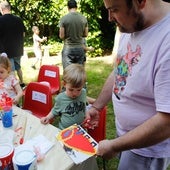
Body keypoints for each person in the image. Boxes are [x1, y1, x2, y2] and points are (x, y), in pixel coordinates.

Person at [85, 0, 170, 170]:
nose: (109, 18)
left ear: (140, 2)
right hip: (125, 137)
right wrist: (98, 107)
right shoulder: (131, 24)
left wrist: (115, 146)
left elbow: (167, 122)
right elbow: (120, 69)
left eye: (114, 10)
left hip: (146, 150)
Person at [40, 63, 87, 130]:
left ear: (83, 85)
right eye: (71, 90)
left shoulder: (83, 92)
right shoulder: (60, 98)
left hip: (80, 129)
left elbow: (84, 105)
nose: (75, 93)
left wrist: (87, 114)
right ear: (64, 84)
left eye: (78, 90)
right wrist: (47, 117)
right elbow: (54, 111)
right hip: (65, 130)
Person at [0, 1, 25, 88]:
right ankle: (22, 83)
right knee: (18, 67)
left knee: (11, 70)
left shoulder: (0, 20)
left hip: (7, 51)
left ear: (1, 9)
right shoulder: (19, 19)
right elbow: (23, 34)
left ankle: (16, 88)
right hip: (18, 49)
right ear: (9, 8)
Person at [59, 0, 88, 69]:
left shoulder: (64, 19)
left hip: (68, 48)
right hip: (80, 48)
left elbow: (61, 36)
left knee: (68, 71)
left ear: (68, 7)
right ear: (76, 7)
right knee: (79, 71)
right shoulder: (83, 18)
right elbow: (86, 34)